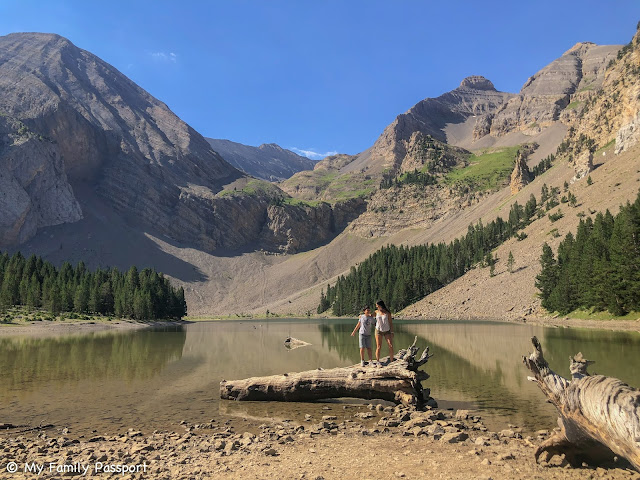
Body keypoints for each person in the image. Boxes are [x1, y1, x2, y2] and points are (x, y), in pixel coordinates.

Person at [374, 300, 394, 366]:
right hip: (378, 331)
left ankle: (392, 361)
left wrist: (392, 331)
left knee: (390, 345)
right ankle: (378, 361)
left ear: (380, 305)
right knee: (378, 346)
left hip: (387, 331)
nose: (376, 306)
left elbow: (390, 323)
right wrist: (361, 316)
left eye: (377, 305)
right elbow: (369, 315)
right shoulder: (376, 312)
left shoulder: (387, 313)